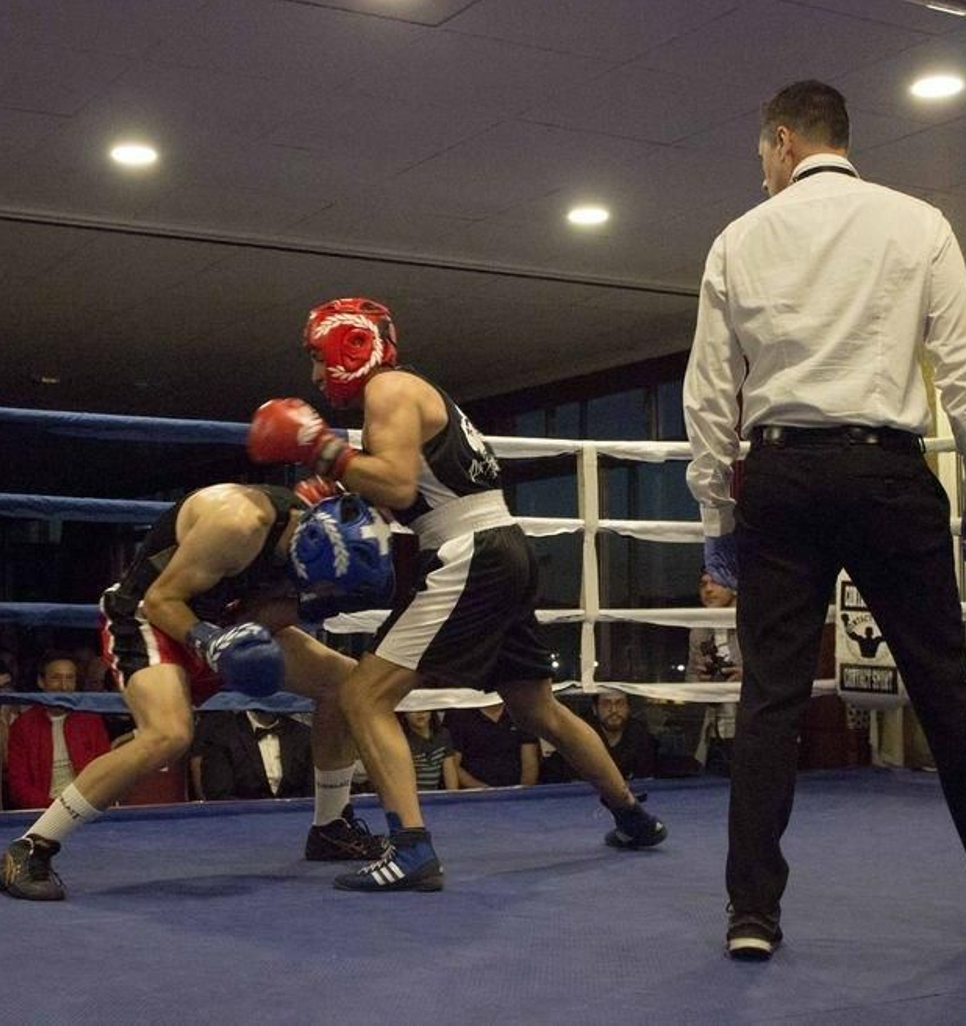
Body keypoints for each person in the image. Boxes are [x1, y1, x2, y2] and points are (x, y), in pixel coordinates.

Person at [682, 79, 966, 960]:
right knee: (943, 684)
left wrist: (717, 507)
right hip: (887, 470)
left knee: (769, 697)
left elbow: (712, 390)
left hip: (779, 473)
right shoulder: (918, 223)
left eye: (760, 153)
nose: (760, 170)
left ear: (783, 138)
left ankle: (752, 914)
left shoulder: (739, 241)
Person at [248, 296, 666, 893]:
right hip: (501, 547)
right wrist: (335, 484)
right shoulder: (417, 394)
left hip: (465, 553)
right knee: (535, 705)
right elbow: (405, 490)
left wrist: (322, 448)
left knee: (363, 696)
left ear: (352, 344)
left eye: (319, 358)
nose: (316, 375)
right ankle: (632, 816)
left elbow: (393, 479)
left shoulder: (388, 390)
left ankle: (412, 850)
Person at [0, 489, 394, 901]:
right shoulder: (239, 522)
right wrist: (212, 642)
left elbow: (264, 612)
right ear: (311, 556)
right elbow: (161, 600)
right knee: (168, 735)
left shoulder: (312, 548)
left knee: (346, 685)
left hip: (224, 622)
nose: (323, 594)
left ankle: (330, 828)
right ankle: (29, 848)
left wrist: (261, 629)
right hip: (153, 616)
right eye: (323, 587)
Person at [6, 653, 112, 810]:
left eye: (70, 678)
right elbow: (18, 785)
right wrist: (54, 808)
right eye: (56, 678)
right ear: (41, 682)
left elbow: (106, 772)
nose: (63, 686)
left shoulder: (91, 720)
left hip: (88, 808)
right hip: (41, 812)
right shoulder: (23, 726)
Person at [192, 710, 312, 800]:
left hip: (297, 823)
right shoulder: (221, 736)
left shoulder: (305, 735)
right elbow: (219, 795)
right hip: (240, 825)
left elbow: (313, 793)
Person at [688, 569, 741, 776]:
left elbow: (778, 670)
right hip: (714, 733)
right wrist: (703, 683)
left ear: (734, 586)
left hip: (754, 728)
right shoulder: (698, 630)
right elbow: (690, 679)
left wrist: (748, 676)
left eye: (716, 582)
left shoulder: (754, 622)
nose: (708, 589)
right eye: (703, 584)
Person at [445, 703, 539, 788]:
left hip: (515, 793)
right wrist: (485, 790)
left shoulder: (522, 712)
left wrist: (522, 793)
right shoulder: (458, 715)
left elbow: (530, 762)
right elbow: (453, 765)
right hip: (473, 795)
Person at [591, 691, 656, 781]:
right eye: (606, 704)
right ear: (595, 709)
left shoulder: (642, 738)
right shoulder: (583, 736)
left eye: (620, 704)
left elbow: (645, 780)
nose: (614, 710)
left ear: (628, 708)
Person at [401, 710, 459, 792]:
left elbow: (450, 772)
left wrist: (453, 797)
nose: (420, 713)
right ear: (404, 714)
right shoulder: (400, 740)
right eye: (413, 709)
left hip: (434, 797)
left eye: (424, 708)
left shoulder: (443, 734)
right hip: (410, 796)